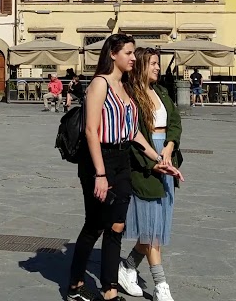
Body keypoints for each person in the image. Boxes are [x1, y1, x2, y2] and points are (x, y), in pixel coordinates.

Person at [66, 34, 179, 301]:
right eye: (128, 53)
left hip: (122, 159)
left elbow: (134, 134)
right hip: (99, 160)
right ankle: (74, 285)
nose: (132, 58)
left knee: (117, 226)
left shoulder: (126, 87)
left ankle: (110, 290)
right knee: (94, 226)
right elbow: (92, 131)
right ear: (113, 54)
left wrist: (159, 160)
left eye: (133, 53)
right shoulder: (99, 84)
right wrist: (100, 174)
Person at [119, 47, 184, 301]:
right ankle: (161, 285)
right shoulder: (132, 96)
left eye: (158, 63)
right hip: (144, 163)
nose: (158, 68)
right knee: (152, 226)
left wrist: (169, 146)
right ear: (141, 66)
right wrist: (151, 162)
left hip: (166, 158)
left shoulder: (162, 93)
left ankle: (127, 266)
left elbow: (175, 122)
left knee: (155, 224)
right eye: (153, 63)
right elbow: (131, 136)